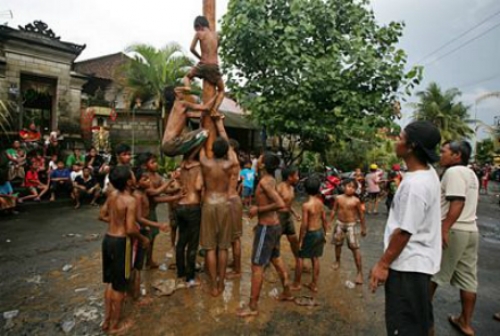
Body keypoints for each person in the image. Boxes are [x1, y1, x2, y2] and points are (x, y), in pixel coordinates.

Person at [369, 121, 442, 336]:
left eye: (400, 138)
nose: (396, 142)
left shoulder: (415, 185)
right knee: (421, 321)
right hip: (419, 264)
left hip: (408, 267)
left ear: (411, 147)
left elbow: (404, 231)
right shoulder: (427, 174)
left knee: (404, 326)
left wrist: (383, 264)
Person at [431, 141, 479, 336]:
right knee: (468, 278)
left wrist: (444, 228)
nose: (440, 154)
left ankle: (419, 316)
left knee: (433, 274)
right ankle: (465, 323)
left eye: (444, 151)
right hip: (470, 230)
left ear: (457, 155)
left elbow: (457, 201)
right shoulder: (471, 174)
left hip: (454, 230)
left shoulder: (454, 172)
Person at [237, 153, 292, 317]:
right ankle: (287, 291)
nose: (257, 160)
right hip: (273, 226)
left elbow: (280, 204)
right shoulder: (271, 180)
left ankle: (252, 306)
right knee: (276, 259)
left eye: (260, 159)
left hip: (267, 228)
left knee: (257, 266)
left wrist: (257, 210)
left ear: (262, 165)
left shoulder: (265, 182)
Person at [98, 166, 150, 334]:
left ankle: (106, 320)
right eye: (133, 175)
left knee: (110, 283)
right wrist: (143, 239)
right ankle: (114, 325)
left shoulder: (112, 195)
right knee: (120, 285)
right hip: (122, 243)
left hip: (108, 239)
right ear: (129, 181)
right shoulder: (131, 200)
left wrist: (116, 221)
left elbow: (101, 215)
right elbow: (130, 229)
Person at [199, 137, 237, 297]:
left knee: (209, 247)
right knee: (223, 247)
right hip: (224, 203)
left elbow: (199, 147)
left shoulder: (205, 163)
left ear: (212, 150)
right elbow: (234, 157)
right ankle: (221, 282)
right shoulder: (229, 165)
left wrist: (204, 137)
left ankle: (213, 285)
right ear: (226, 151)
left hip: (208, 203)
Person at [131, 168, 173, 302]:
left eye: (148, 178)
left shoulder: (143, 193)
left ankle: (136, 292)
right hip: (140, 230)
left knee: (138, 263)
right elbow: (139, 217)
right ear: (136, 183)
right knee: (136, 265)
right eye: (145, 179)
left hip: (144, 228)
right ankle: (137, 296)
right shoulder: (137, 195)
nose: (149, 181)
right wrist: (158, 225)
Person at [183, 15, 225, 117]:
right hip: (214, 67)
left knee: (187, 77)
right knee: (222, 90)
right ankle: (214, 110)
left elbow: (192, 48)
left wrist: (200, 57)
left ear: (199, 26)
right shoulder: (216, 35)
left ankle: (187, 89)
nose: (196, 30)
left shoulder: (199, 34)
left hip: (203, 65)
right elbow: (216, 48)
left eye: (196, 28)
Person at [291, 177, 327, 292]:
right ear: (318, 189)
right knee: (315, 258)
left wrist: (301, 239)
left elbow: (304, 224)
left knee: (300, 257)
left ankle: (297, 283)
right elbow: (324, 219)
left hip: (310, 233)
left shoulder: (306, 205)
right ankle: (314, 284)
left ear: (305, 190)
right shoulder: (320, 203)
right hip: (319, 231)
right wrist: (325, 233)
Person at [175, 153, 204, 287]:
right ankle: (190, 277)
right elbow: (198, 187)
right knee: (193, 243)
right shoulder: (200, 168)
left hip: (180, 205)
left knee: (181, 240)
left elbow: (177, 182)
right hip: (193, 206)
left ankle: (180, 271)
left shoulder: (182, 165)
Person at [161, 86, 215, 157]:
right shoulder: (182, 104)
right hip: (171, 144)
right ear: (176, 94)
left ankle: (187, 160)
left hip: (167, 145)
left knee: (190, 138)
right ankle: (190, 160)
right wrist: (217, 94)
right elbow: (207, 107)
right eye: (182, 93)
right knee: (205, 133)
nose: (184, 94)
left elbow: (197, 114)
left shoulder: (176, 107)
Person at [330, 178, 366, 284]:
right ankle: (337, 260)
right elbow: (334, 210)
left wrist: (364, 228)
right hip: (340, 223)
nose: (350, 188)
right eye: (348, 186)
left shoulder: (356, 201)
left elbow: (361, 215)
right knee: (337, 244)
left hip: (351, 225)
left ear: (355, 190)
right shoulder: (338, 198)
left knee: (355, 248)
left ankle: (359, 272)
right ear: (344, 186)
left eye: (353, 187)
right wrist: (329, 222)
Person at [276, 165, 301, 266]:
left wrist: (295, 214)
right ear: (290, 177)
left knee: (294, 240)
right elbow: (273, 204)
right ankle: (267, 264)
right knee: (274, 243)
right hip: (279, 217)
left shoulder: (292, 188)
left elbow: (288, 204)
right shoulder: (279, 188)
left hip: (288, 218)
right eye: (296, 175)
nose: (298, 178)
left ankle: (298, 261)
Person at [226, 139, 244, 279]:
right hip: (233, 200)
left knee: (235, 238)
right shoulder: (231, 164)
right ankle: (234, 263)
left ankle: (237, 270)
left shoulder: (234, 163)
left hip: (231, 200)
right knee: (232, 237)